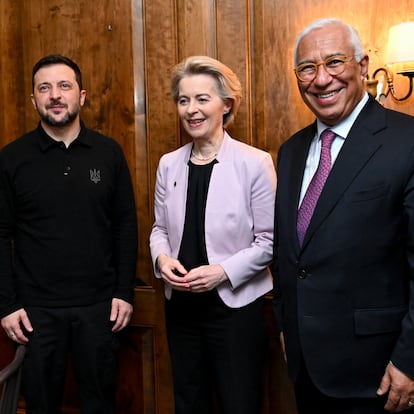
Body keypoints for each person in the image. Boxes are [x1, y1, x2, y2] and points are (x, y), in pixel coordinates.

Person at [272, 17, 414, 414]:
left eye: (334, 62)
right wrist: (286, 325)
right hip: (307, 368)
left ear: (363, 66)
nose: (321, 79)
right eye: (307, 68)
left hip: (381, 373)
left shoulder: (406, 141)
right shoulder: (291, 151)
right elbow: (285, 250)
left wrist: (409, 361)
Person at [0, 54, 138, 413]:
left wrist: (124, 292)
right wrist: (7, 304)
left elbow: (125, 226)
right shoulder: (12, 159)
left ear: (82, 95)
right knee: (41, 405)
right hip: (35, 313)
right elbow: (0, 234)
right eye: (44, 88)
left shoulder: (108, 153)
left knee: (99, 405)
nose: (55, 95)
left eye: (64, 86)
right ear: (33, 100)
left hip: (100, 309)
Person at [150, 55, 276, 414]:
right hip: (182, 311)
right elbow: (159, 229)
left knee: (240, 402)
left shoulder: (254, 163)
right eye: (184, 99)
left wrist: (221, 272)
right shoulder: (168, 164)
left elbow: (269, 243)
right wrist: (162, 258)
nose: (192, 109)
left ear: (226, 104)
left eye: (202, 99)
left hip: (235, 311)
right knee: (189, 402)